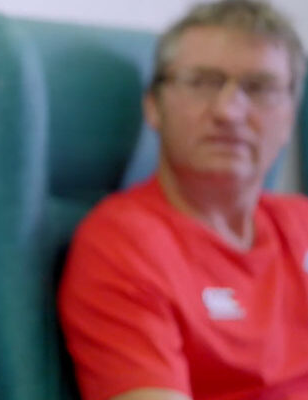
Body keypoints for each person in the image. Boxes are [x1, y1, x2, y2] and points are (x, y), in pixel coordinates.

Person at [58, 1, 307, 399]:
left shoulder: (301, 222)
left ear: (290, 116)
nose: (230, 111)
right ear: (153, 107)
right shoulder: (122, 246)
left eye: (259, 87)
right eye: (202, 82)